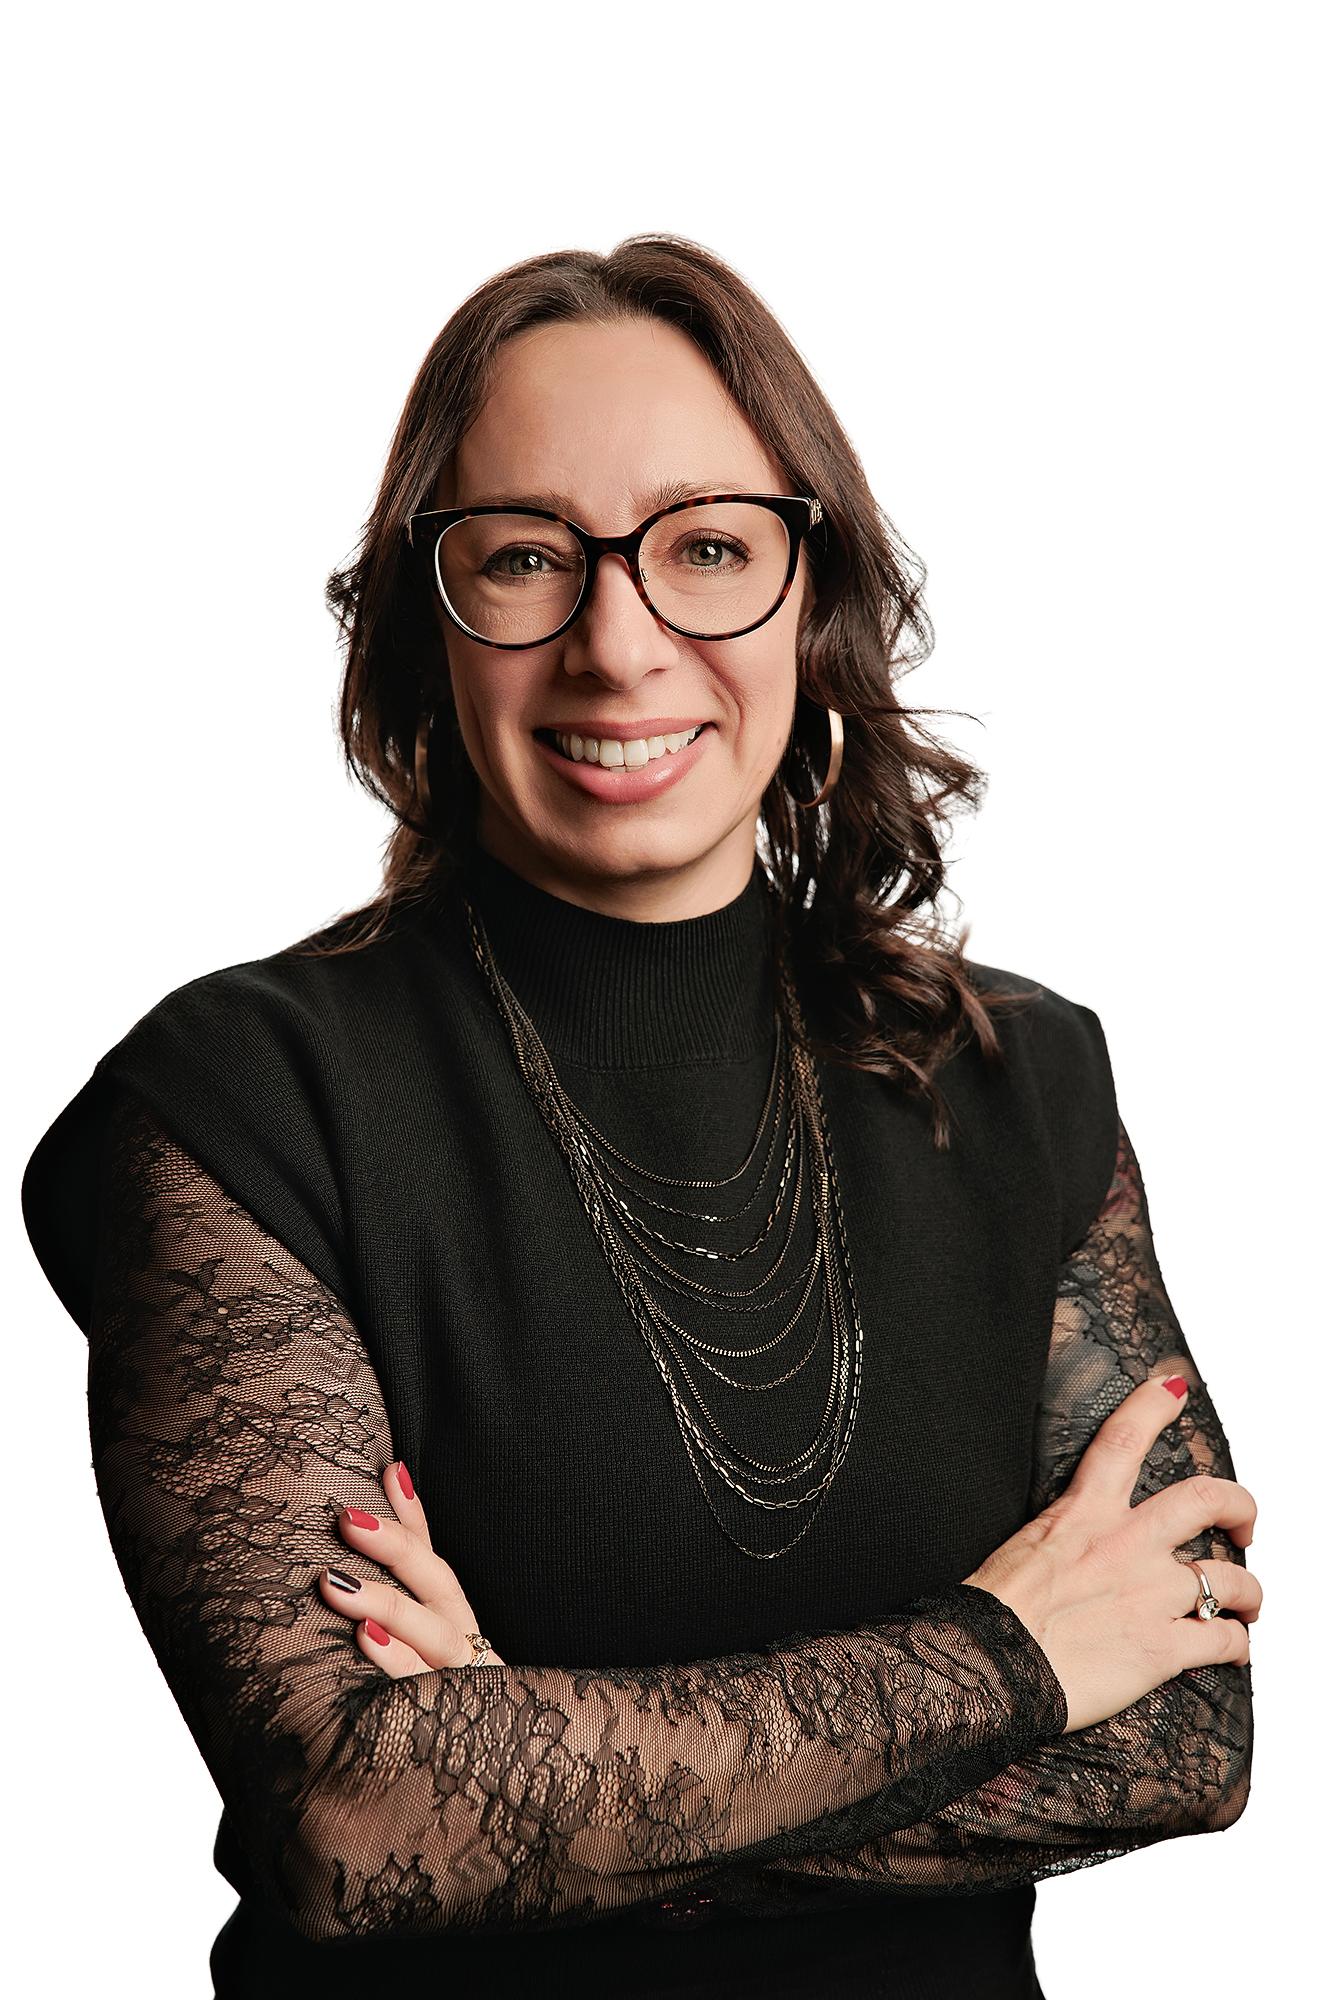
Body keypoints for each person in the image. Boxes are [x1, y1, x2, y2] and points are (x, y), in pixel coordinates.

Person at [20, 235, 1257, 2000]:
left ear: (809, 593)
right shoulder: (239, 1106)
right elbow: (351, 1826)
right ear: (419, 616)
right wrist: (1008, 1658)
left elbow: (1186, 1735)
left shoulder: (1020, 1081)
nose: (620, 643)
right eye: (524, 557)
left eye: (705, 552)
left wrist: (524, 1793)